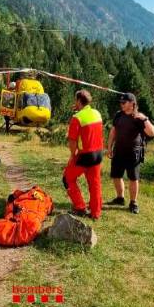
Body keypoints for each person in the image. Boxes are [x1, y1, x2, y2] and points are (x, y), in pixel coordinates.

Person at [107, 93, 154, 214]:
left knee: (133, 178)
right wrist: (109, 147)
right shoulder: (119, 115)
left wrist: (144, 119)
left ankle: (133, 202)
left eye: (124, 102)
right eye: (121, 102)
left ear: (132, 104)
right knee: (116, 176)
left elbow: (152, 133)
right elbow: (113, 132)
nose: (121, 104)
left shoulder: (138, 117)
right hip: (118, 151)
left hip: (133, 153)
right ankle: (120, 198)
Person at [63, 90, 103, 220]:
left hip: (85, 155)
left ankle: (80, 206)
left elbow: (72, 141)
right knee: (94, 183)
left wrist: (73, 155)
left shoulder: (77, 118)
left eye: (76, 100)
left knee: (68, 178)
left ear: (79, 101)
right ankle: (96, 212)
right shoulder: (97, 113)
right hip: (98, 154)